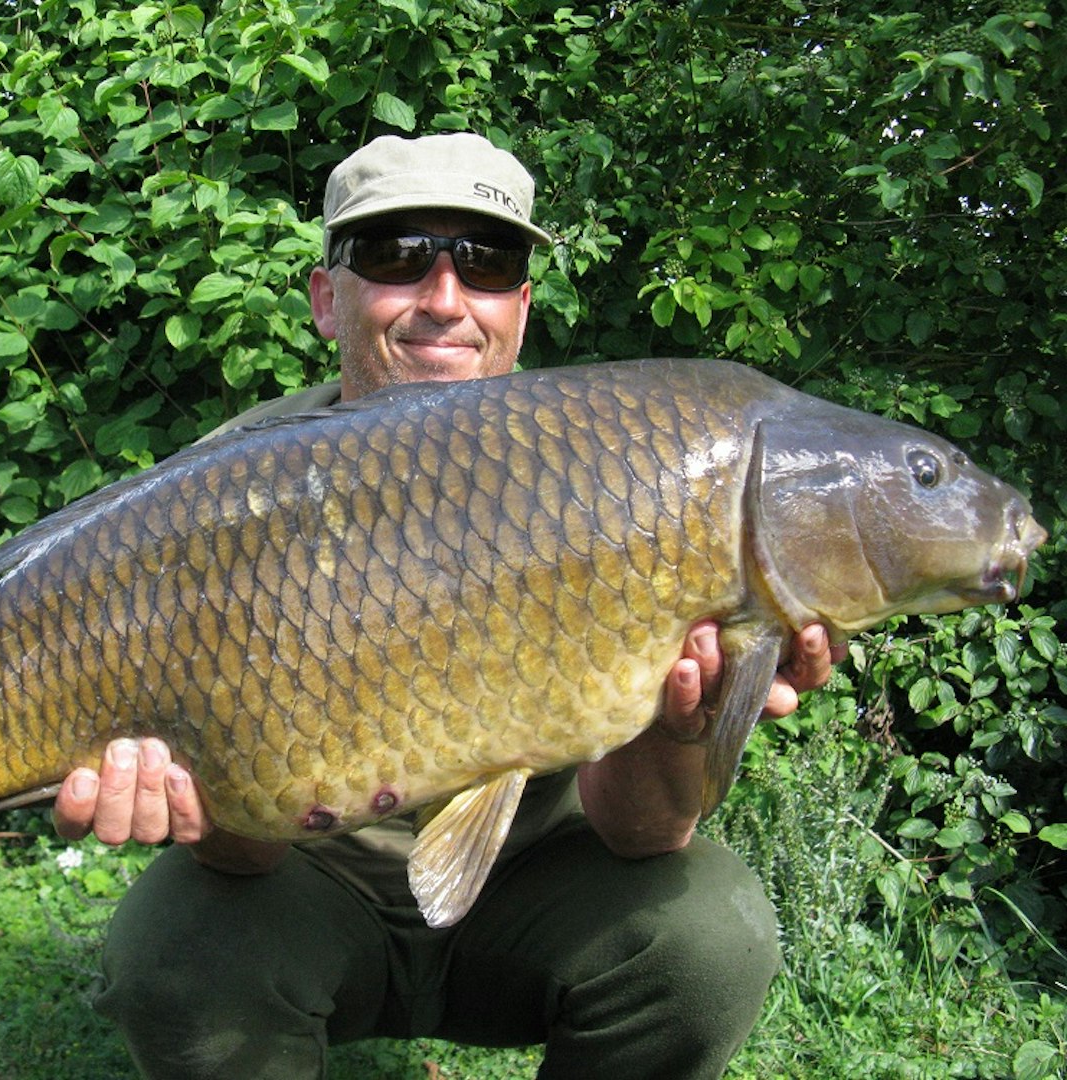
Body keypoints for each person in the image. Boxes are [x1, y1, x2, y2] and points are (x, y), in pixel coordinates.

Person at [54, 133, 840, 1078]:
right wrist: (196, 794)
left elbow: (643, 833)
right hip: (308, 882)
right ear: (323, 297)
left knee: (708, 935)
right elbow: (244, 859)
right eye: (393, 257)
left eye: (487, 261)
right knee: (175, 948)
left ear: (521, 305)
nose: (442, 298)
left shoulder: (635, 476)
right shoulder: (235, 491)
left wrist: (684, 726)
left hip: (533, 886)